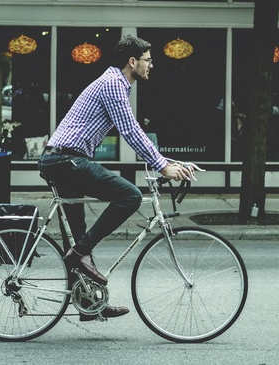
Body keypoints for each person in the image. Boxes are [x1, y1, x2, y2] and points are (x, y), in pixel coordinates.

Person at [38, 35, 193, 321]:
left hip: (64, 160)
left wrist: (171, 163)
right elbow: (131, 131)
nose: (152, 65)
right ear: (132, 62)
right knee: (130, 196)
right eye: (148, 59)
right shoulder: (113, 85)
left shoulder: (117, 84)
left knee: (79, 233)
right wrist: (162, 166)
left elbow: (132, 132)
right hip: (66, 160)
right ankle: (78, 255)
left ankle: (88, 303)